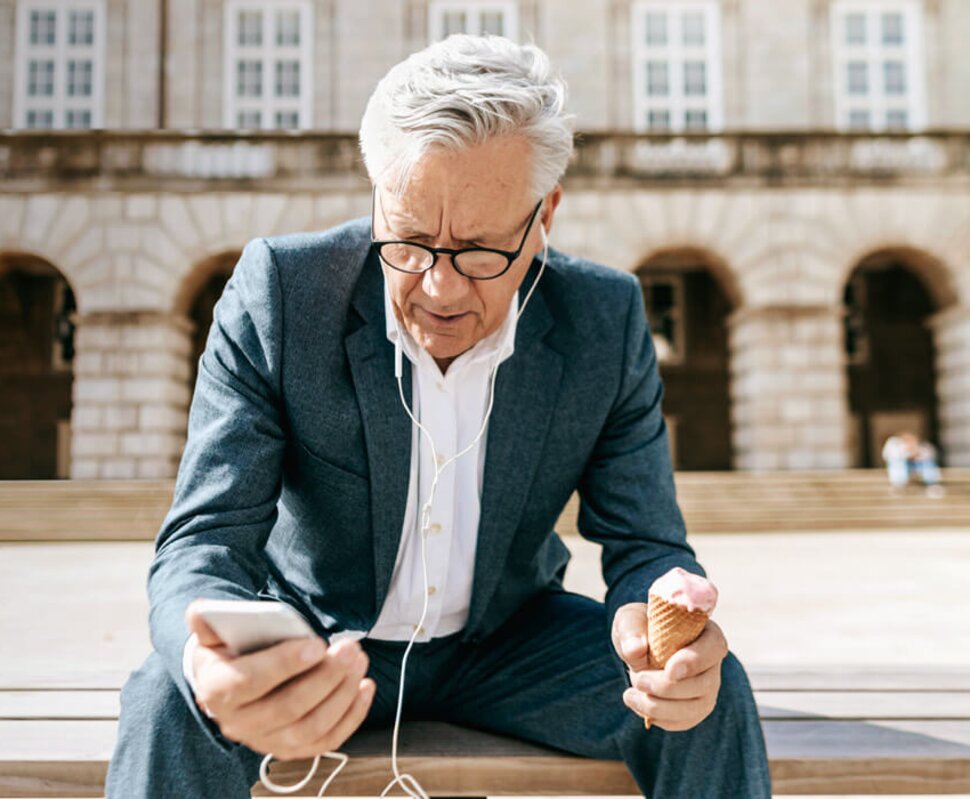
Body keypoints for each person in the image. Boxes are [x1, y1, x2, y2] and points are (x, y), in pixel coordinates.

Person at [106, 34, 771, 798]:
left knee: (711, 701)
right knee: (166, 696)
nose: (441, 289)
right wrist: (209, 659)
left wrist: (655, 626)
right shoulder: (281, 293)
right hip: (315, 640)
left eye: (483, 250)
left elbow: (647, 543)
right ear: (376, 192)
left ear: (545, 214)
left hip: (510, 644)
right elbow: (204, 537)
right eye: (412, 241)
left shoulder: (605, 317)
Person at [882, 431, 945, 498]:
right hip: (901, 467)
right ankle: (898, 484)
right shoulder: (894, 445)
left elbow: (931, 455)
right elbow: (890, 456)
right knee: (898, 462)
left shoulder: (923, 446)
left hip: (916, 466)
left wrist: (917, 453)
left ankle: (932, 484)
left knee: (928, 463)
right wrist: (908, 453)